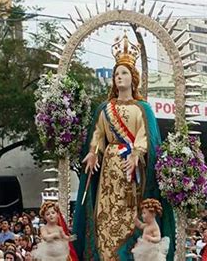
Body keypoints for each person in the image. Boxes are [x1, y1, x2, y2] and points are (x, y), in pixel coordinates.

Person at [73, 32, 175, 261]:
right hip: (109, 167)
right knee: (105, 214)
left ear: (133, 78)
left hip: (132, 171)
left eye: (124, 73)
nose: (119, 77)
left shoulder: (142, 109)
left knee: (131, 214)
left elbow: (146, 137)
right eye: (117, 73)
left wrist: (137, 153)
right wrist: (92, 152)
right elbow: (98, 134)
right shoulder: (104, 108)